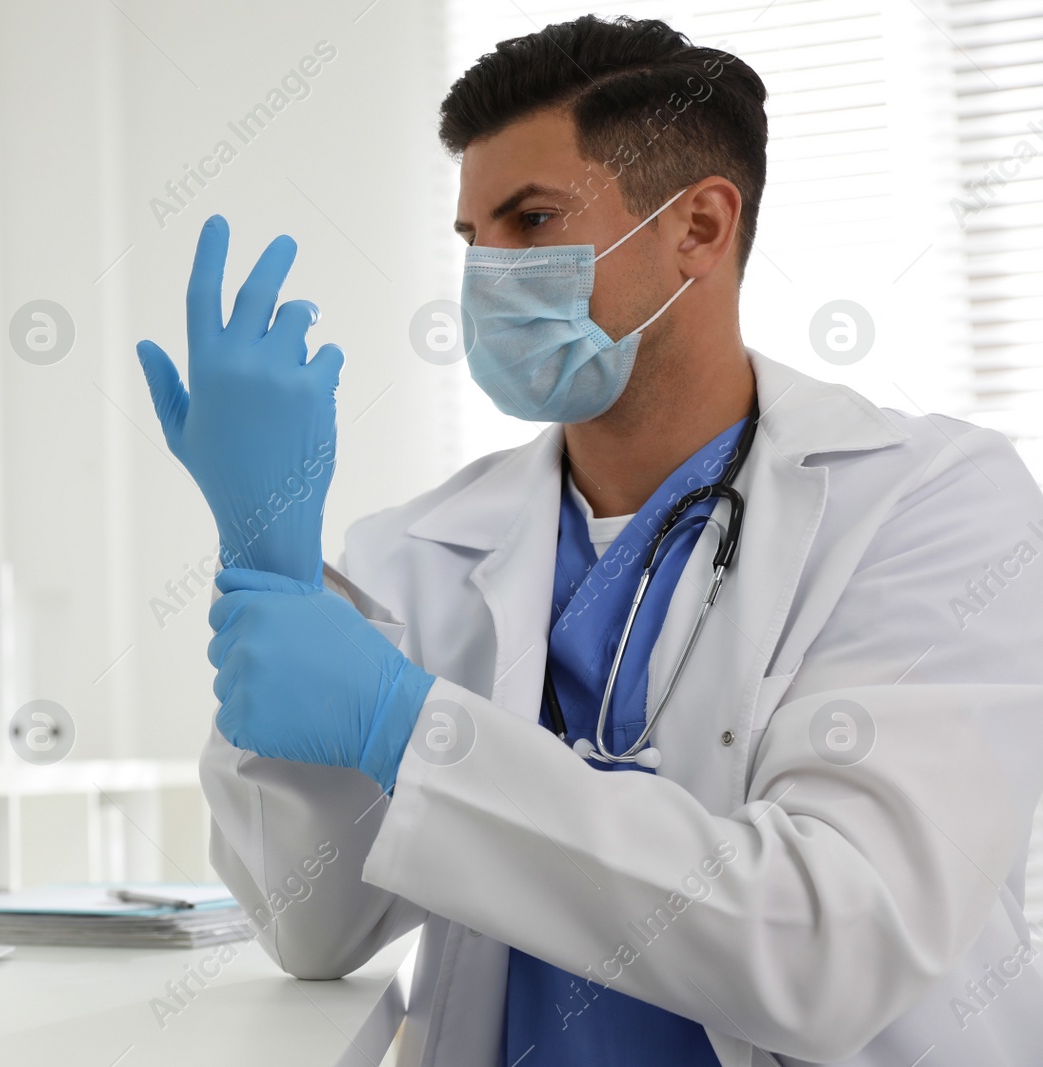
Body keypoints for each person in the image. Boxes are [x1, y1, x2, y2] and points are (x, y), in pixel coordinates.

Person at [134, 15, 1043, 1066]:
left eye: (530, 220)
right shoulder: (418, 551)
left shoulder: (929, 504)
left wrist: (409, 725)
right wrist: (269, 564)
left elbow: (831, 945)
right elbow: (312, 929)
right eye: (473, 240)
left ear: (698, 227)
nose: (488, 276)